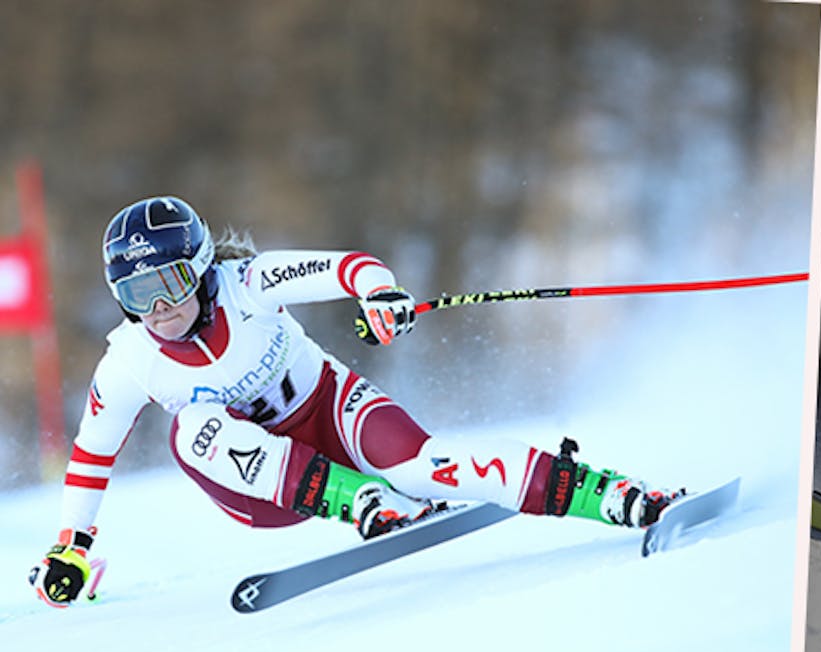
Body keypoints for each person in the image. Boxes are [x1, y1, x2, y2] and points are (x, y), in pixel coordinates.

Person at [28, 196, 682, 608]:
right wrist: (72, 545)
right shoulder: (129, 361)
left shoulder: (248, 282)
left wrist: (380, 296)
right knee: (192, 427)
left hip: (331, 409)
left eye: (170, 282)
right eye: (139, 293)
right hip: (267, 488)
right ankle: (362, 503)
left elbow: (349, 267)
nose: (161, 307)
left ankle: (614, 496)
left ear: (200, 269)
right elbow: (92, 455)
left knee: (425, 464)